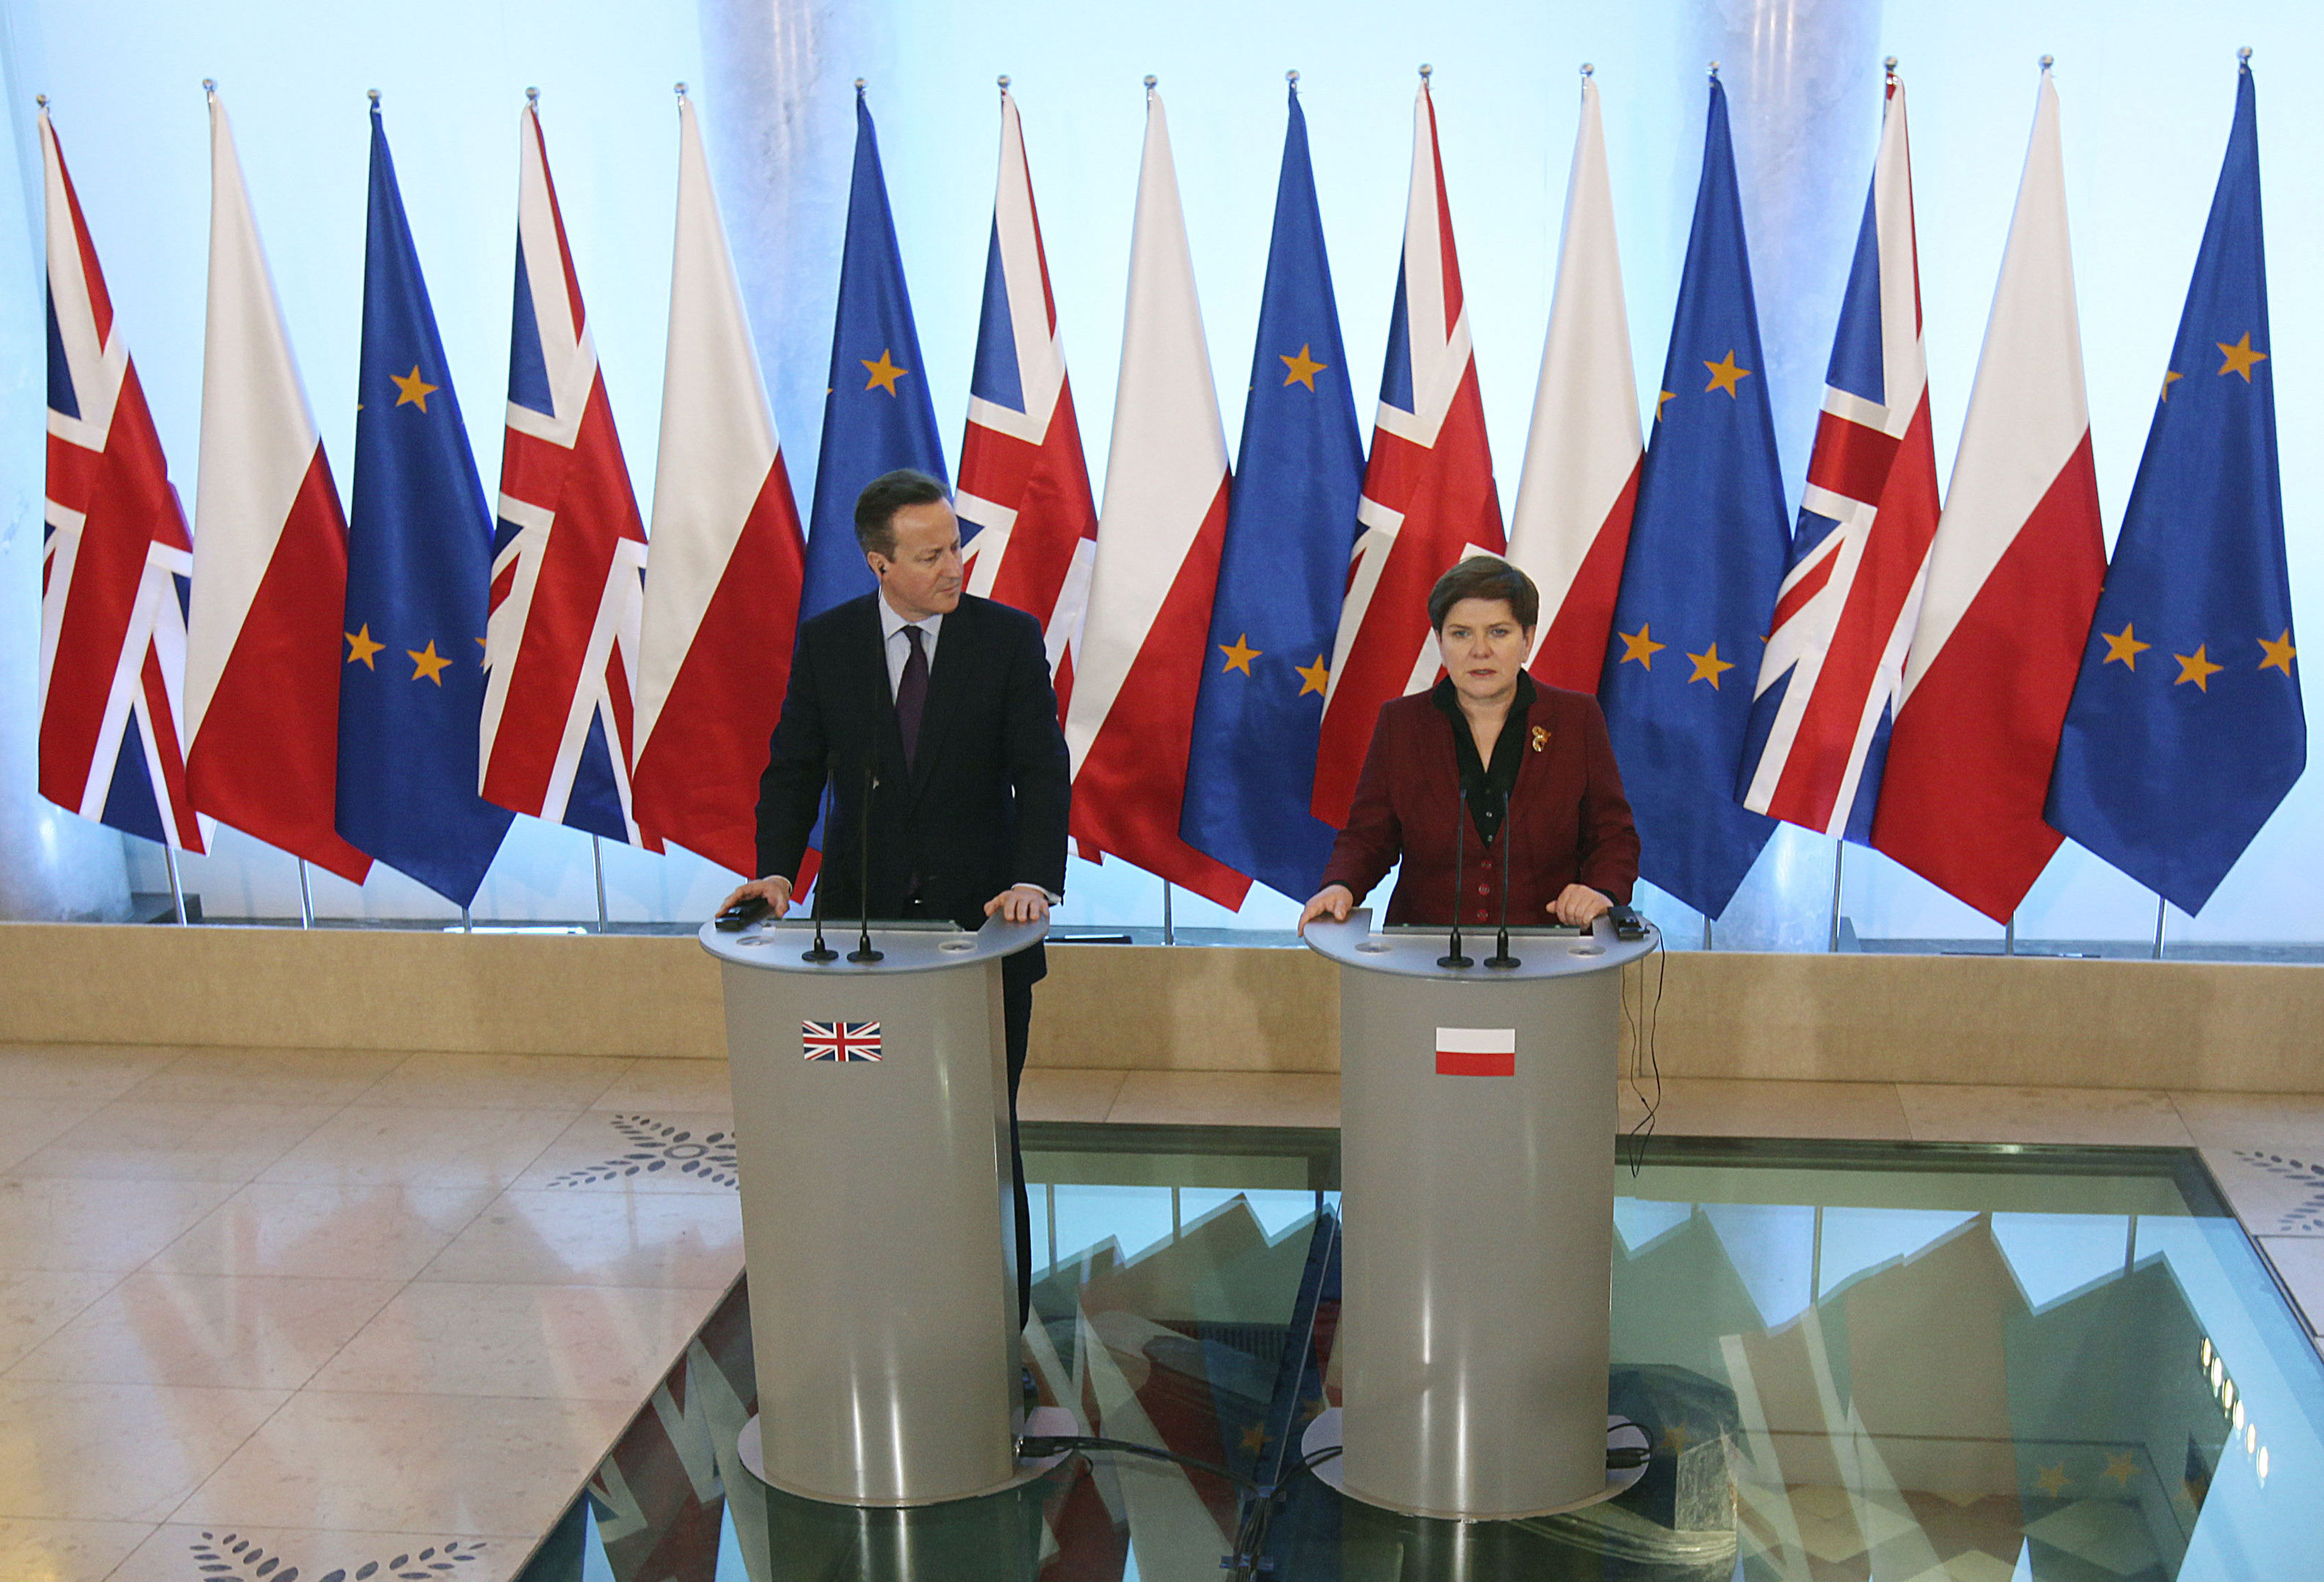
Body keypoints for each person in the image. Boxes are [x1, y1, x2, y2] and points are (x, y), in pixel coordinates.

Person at [720, 469, 1070, 1329]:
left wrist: (1033, 878)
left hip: (981, 933)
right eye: (931, 554)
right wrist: (775, 872)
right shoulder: (831, 644)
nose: (956, 565)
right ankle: (872, 1305)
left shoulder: (1007, 639)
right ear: (881, 564)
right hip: (859, 936)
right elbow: (794, 769)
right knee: (864, 1127)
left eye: (955, 546)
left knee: (982, 1129)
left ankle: (995, 1315)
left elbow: (1041, 769)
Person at [1301, 555, 1639, 933]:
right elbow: (1369, 836)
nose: (1480, 651)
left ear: (1527, 640)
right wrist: (1339, 886)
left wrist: (1601, 891)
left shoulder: (1577, 719)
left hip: (1549, 949)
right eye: (1461, 633)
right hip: (1424, 953)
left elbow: (1613, 836)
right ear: (1439, 641)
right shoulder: (1402, 723)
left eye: (1499, 632)